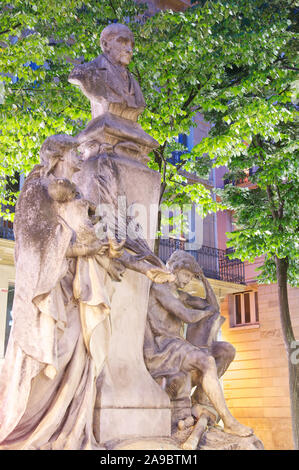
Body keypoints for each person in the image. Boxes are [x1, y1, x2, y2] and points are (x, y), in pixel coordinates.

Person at [144, 250, 253, 437]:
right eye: (186, 275)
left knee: (227, 350)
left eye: (191, 277)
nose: (188, 281)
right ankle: (228, 421)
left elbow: (213, 306)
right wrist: (205, 313)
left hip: (176, 346)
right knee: (207, 361)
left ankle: (200, 400)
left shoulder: (180, 294)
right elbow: (187, 316)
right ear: (175, 269)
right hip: (162, 349)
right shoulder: (160, 288)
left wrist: (202, 278)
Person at [68, 23, 145, 121]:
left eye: (132, 45)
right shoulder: (85, 72)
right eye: (123, 42)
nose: (130, 50)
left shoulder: (133, 83)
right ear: (106, 45)